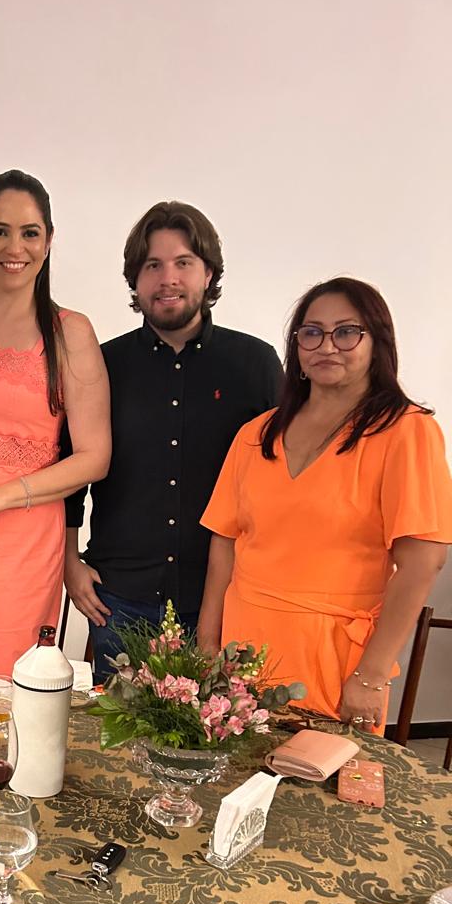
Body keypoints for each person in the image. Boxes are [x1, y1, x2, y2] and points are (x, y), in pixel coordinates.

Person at [197, 276, 452, 732]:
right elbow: (225, 542)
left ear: (377, 343)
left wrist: (372, 674)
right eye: (312, 332)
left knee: (321, 775)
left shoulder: (407, 431)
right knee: (233, 770)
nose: (327, 346)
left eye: (347, 331)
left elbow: (422, 563)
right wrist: (208, 643)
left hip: (336, 659)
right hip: (242, 651)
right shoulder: (258, 433)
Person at [63, 201, 282, 680]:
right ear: (135, 279)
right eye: (152, 266)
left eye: (183, 262)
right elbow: (69, 469)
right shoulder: (103, 365)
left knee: (220, 730)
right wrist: (68, 561)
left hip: (224, 599)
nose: (168, 279)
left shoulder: (256, 365)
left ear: (208, 273)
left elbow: (281, 480)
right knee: (117, 728)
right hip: (120, 599)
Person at [0, 169, 110, 676]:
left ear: (48, 241)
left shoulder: (69, 332)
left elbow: (95, 458)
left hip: (21, 543)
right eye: (0, 231)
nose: (15, 247)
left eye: (30, 232)